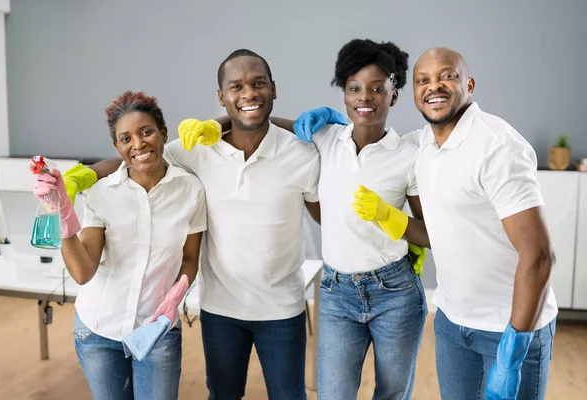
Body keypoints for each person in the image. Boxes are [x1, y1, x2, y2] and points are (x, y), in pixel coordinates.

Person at [302, 47, 558, 400]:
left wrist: (512, 354)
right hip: (452, 322)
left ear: (468, 84)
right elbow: (367, 132)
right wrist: (338, 120)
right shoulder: (424, 144)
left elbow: (540, 256)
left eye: (447, 76)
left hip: (508, 326)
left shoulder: (497, 146)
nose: (434, 87)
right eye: (424, 80)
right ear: (413, 92)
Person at [64, 50, 321, 400]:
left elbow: (326, 210)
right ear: (221, 97)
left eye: (258, 83)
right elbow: (137, 157)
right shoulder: (196, 148)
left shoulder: (301, 154)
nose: (248, 93)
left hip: (283, 308)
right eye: (236, 86)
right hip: (221, 310)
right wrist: (87, 174)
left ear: (274, 88)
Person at [182, 39, 429, 400]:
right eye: (355, 88)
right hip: (336, 291)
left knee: (391, 393)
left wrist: (393, 221)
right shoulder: (324, 139)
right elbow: (256, 120)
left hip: (394, 289)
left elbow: (429, 231)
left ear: (394, 95)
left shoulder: (410, 153)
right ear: (343, 94)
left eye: (378, 89)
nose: (366, 97)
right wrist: (215, 125)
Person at [33, 91, 207, 400]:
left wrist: (177, 293)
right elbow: (83, 272)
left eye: (146, 132)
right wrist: (61, 215)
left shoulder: (190, 190)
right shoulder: (102, 192)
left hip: (157, 330)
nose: (138, 144)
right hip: (98, 330)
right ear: (117, 147)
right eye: (125, 139)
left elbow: (190, 258)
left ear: (163, 133)